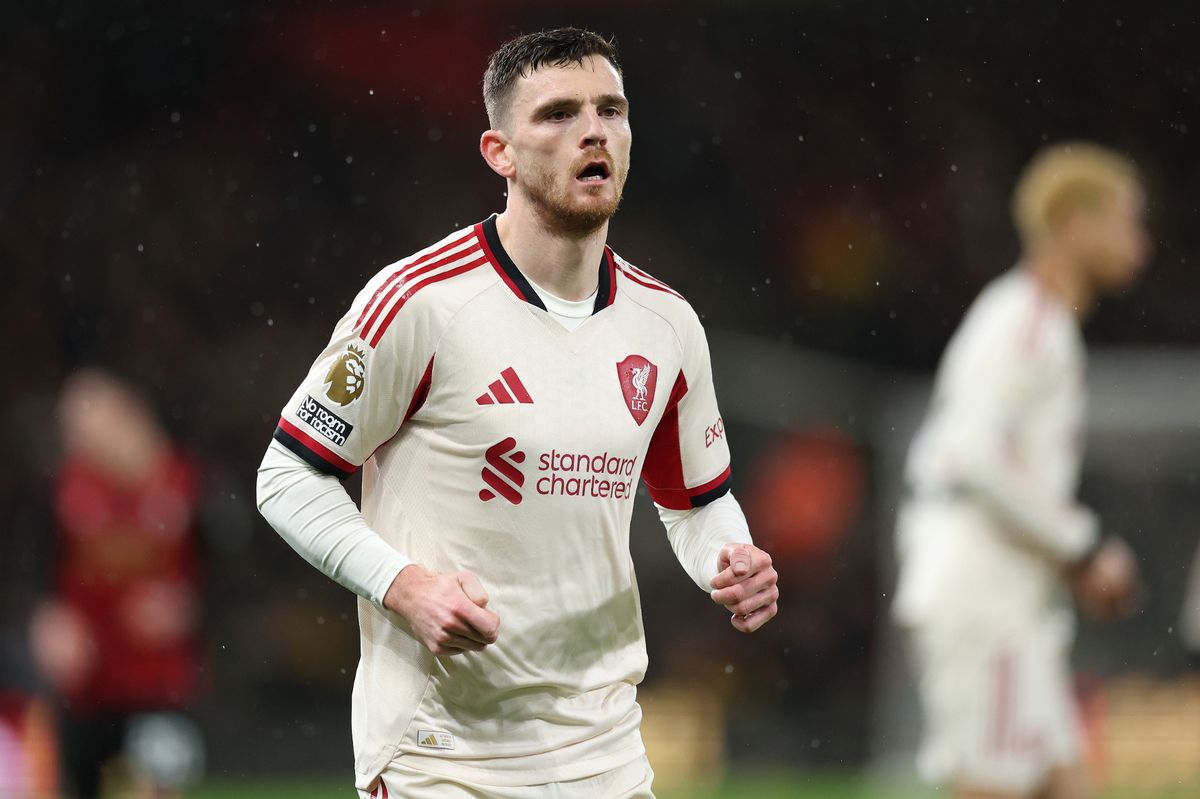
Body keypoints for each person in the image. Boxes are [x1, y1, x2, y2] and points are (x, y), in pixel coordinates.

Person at [256, 27, 778, 798]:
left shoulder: (668, 325)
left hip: (605, 750)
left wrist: (729, 559)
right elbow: (286, 474)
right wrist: (406, 586)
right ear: (498, 152)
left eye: (611, 109)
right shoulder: (421, 301)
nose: (594, 130)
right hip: (444, 755)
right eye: (559, 113)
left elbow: (698, 504)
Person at [892, 142, 1150, 799]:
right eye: (1126, 221)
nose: (1139, 244)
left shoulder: (1037, 320)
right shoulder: (1027, 319)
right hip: (986, 598)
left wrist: (1069, 559)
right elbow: (976, 454)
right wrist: (1083, 544)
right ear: (1075, 222)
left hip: (1011, 598)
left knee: (1064, 785)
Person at [30, 369, 205, 798]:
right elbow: (37, 570)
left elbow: (227, 576)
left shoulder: (184, 484)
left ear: (126, 416)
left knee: (155, 784)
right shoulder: (62, 489)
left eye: (83, 422)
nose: (74, 436)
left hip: (159, 686)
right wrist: (49, 619)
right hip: (87, 685)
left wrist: (188, 606)